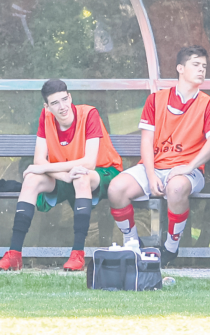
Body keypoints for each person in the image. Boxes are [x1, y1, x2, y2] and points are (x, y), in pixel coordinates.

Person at [107, 46, 210, 267]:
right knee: (115, 188)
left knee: (177, 188)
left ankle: (170, 247)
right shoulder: (156, 100)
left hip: (188, 171)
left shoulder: (208, 104)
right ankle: (133, 244)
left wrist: (189, 166)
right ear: (180, 68)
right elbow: (146, 141)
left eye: (204, 66)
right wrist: (151, 176)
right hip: (154, 167)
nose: (202, 70)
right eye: (196, 65)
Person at [0, 79, 122, 271]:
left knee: (81, 176)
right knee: (31, 179)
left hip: (103, 171)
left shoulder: (89, 113)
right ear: (46, 107)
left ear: (70, 97)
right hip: (65, 174)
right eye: (55, 103)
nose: (62, 106)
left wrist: (44, 168)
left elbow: (89, 162)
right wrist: (63, 175)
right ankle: (14, 254)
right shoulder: (46, 117)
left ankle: (77, 254)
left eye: (65, 99)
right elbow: (39, 160)